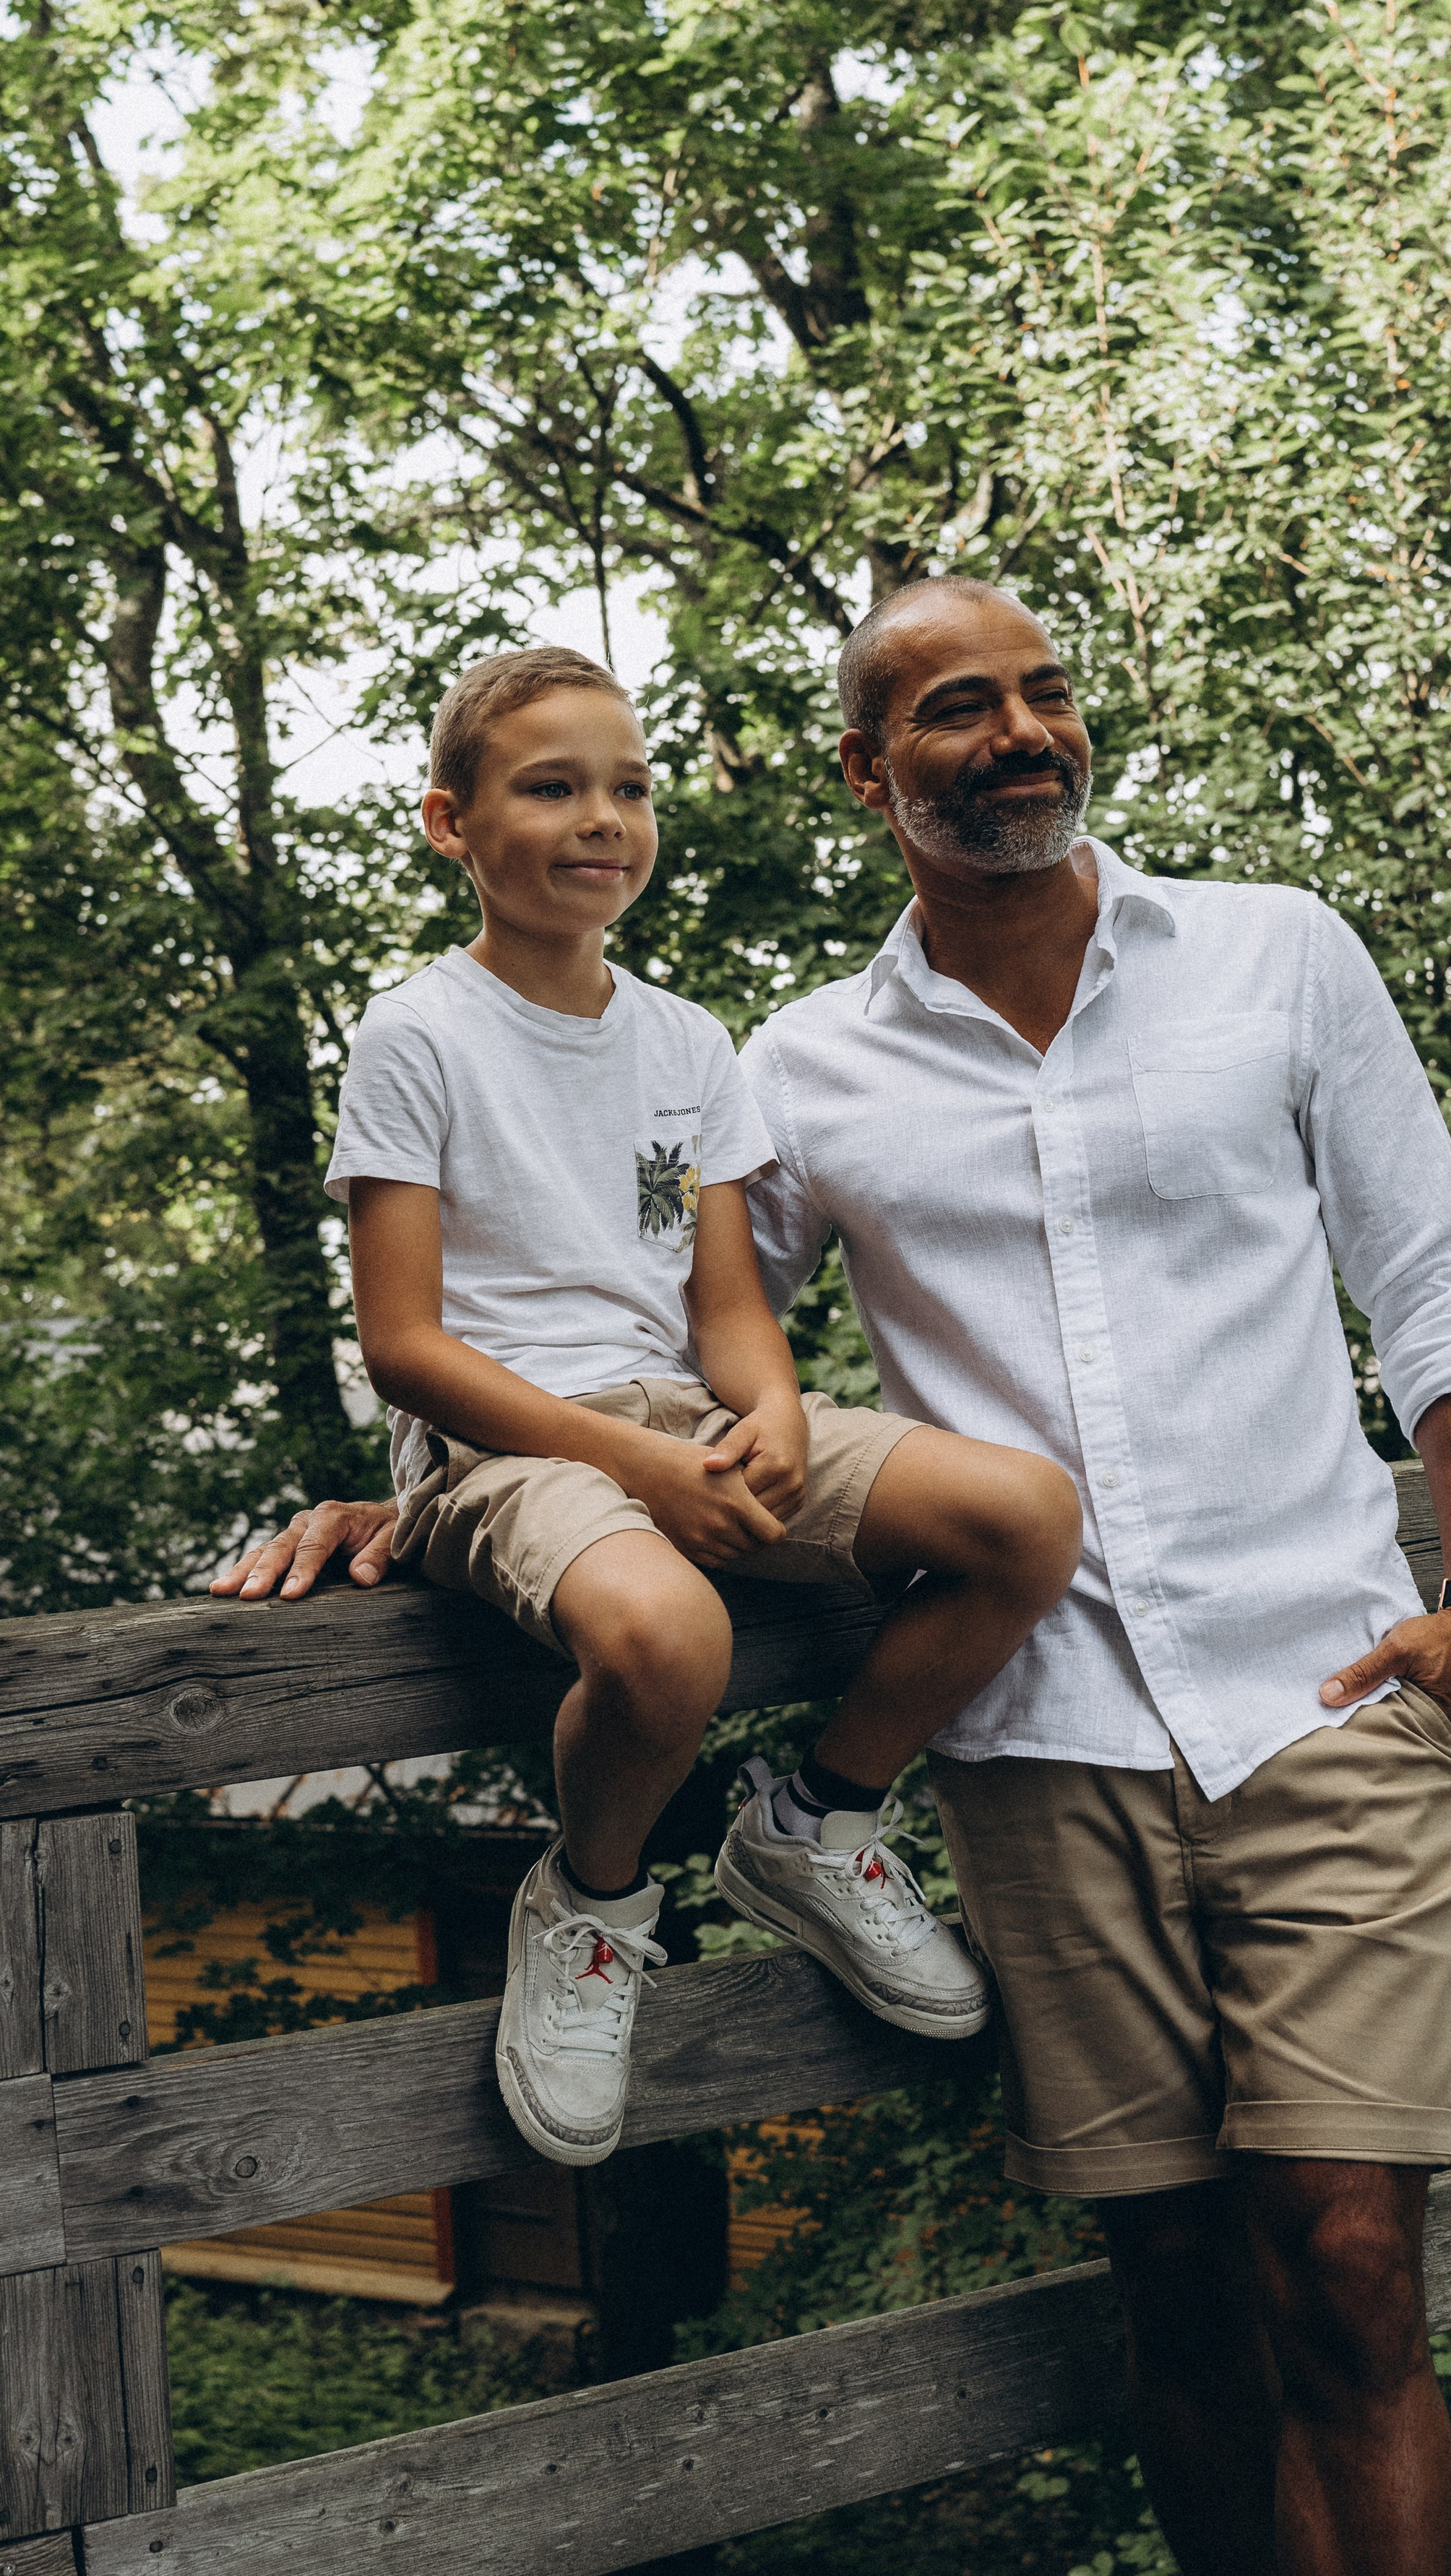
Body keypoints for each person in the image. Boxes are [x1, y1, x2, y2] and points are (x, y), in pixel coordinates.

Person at [233, 585, 1451, 2576]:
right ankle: (694, 1866)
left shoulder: (1276, 955)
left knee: (1351, 2270)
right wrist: (397, 1499)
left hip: (1325, 1690)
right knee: (1180, 2293)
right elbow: (605, 1329)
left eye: (1046, 693)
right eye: (954, 709)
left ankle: (795, 1817)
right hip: (1045, 1746)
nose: (1019, 732)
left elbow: (1439, 1288)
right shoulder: (801, 1066)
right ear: (870, 770)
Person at [291, 642, 1081, 2172]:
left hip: (670, 1413)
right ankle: (592, 1903)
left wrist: (771, 1411)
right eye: (552, 789)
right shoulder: (417, 1034)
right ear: (451, 823)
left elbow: (724, 1307)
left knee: (1023, 1515)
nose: (603, 819)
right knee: (672, 1639)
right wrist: (645, 1475)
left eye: (629, 788)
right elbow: (402, 1345)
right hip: (506, 1443)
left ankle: (819, 1817)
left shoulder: (686, 1043)